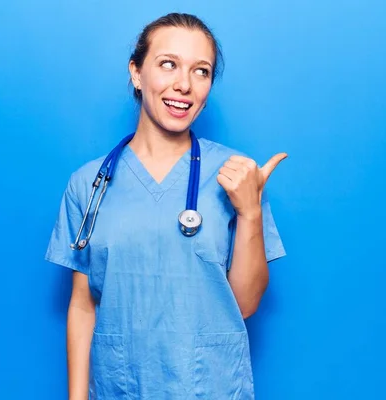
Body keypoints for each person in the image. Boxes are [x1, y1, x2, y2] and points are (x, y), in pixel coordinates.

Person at [45, 12, 287, 399]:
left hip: (209, 387)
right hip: (118, 388)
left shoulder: (236, 176)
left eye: (201, 71)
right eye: (168, 64)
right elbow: (83, 305)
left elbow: (244, 304)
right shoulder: (89, 184)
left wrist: (250, 210)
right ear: (137, 73)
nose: (184, 85)